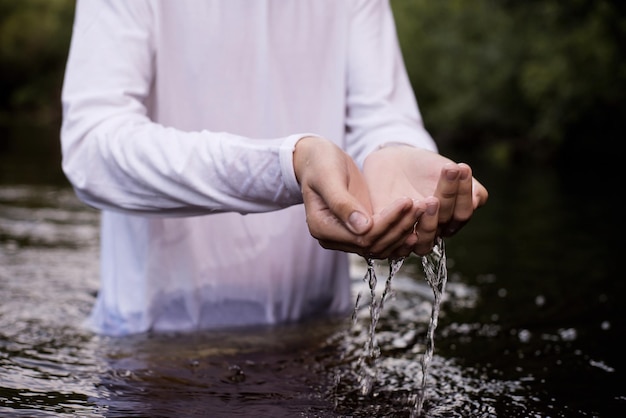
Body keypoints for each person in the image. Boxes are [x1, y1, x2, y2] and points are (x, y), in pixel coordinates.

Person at [60, 0, 488, 336]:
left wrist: (398, 152)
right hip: (152, 348)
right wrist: (286, 164)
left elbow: (381, 114)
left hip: (317, 337)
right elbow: (93, 149)